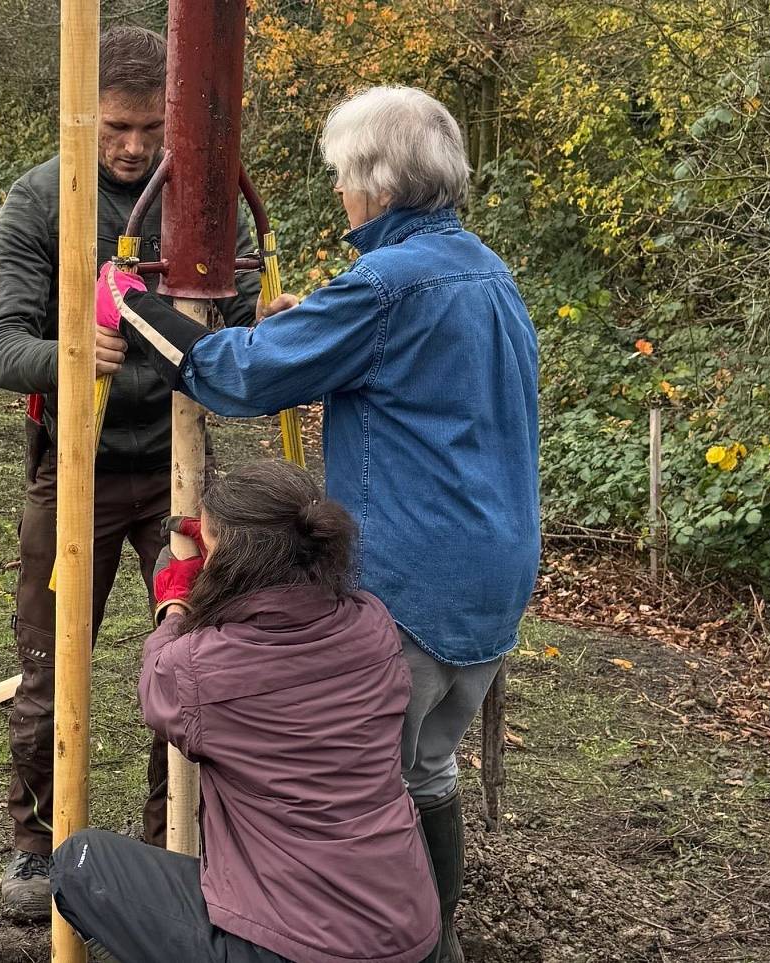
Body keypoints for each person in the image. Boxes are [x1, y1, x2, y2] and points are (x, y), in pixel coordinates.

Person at [109, 86, 541, 963]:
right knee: (426, 770)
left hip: (411, 577)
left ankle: (360, 943)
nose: (341, 192)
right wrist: (312, 330)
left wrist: (129, 304)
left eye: (344, 176)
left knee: (366, 794)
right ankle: (437, 944)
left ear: (378, 184)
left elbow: (236, 377)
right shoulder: (484, 271)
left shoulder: (386, 284)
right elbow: (411, 383)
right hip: (494, 574)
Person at [0, 23, 261, 923]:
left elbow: (239, 325)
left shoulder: (201, 198)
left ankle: (167, 846)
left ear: (173, 121)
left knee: (193, 660)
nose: (134, 148)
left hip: (179, 471)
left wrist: (270, 325)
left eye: (149, 129)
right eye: (115, 129)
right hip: (75, 469)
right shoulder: (41, 199)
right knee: (47, 666)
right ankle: (34, 846)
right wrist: (69, 353)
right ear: (84, 118)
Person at [51, 460, 439, 963]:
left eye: (210, 548)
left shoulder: (201, 670)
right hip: (408, 929)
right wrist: (225, 535)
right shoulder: (372, 623)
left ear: (233, 564)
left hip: (302, 948)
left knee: (82, 864)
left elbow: (158, 684)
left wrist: (175, 604)